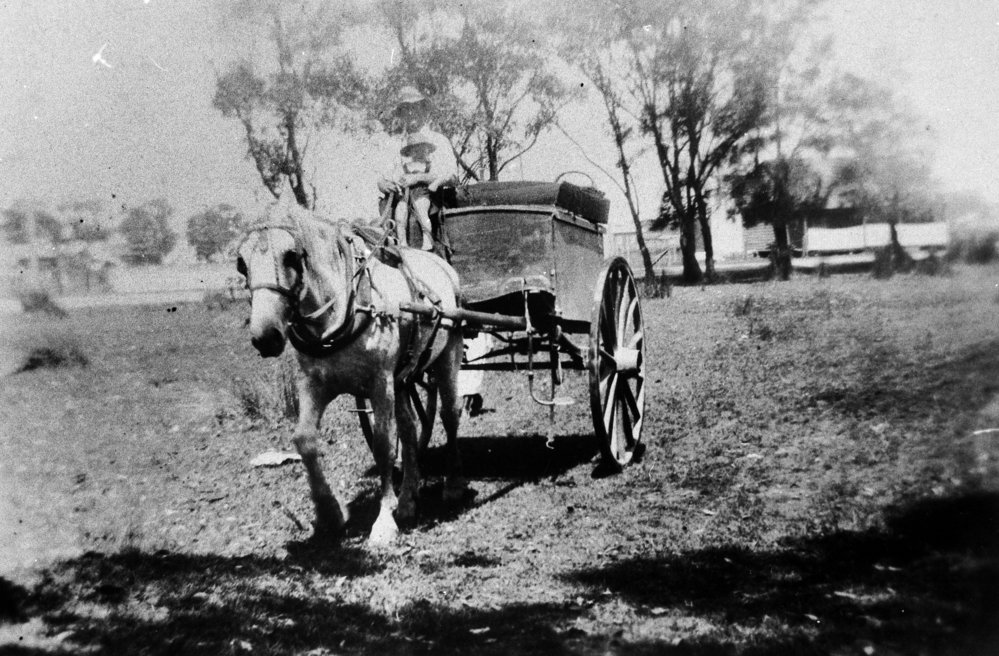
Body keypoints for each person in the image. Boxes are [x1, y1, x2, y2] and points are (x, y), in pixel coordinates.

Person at [377, 86, 457, 252]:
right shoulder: (394, 144)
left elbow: (452, 177)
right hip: (401, 201)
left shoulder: (439, 140)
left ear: (424, 111)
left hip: (431, 200)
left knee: (422, 218)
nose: (411, 114)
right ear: (401, 115)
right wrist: (383, 184)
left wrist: (419, 178)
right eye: (406, 110)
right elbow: (382, 177)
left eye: (415, 108)